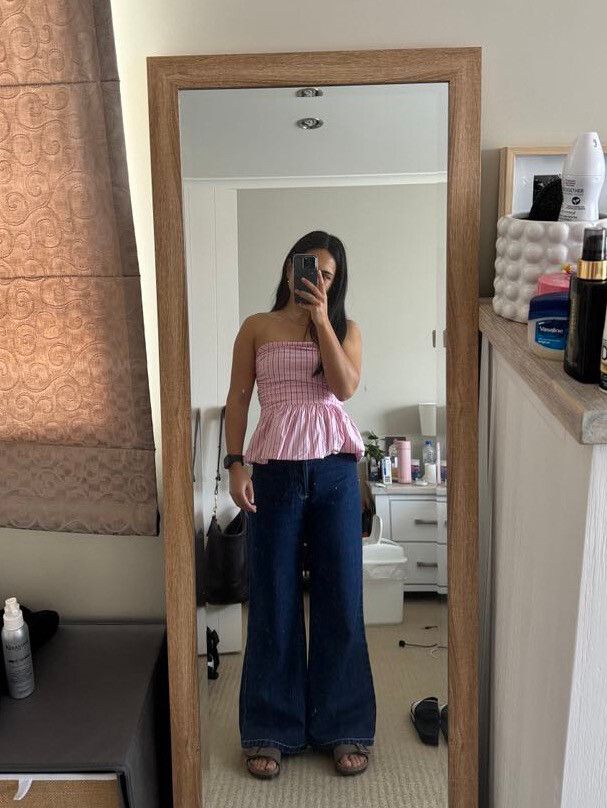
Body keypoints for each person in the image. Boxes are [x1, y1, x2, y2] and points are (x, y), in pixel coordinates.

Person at [224, 231, 376, 779]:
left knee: (341, 596)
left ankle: (343, 725)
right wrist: (234, 463)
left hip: (334, 471)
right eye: (309, 267)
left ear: (335, 283)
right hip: (274, 472)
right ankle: (271, 727)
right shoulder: (256, 327)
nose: (316, 279)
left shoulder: (345, 329)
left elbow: (345, 387)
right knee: (273, 595)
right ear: (290, 267)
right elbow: (239, 397)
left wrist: (321, 321)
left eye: (327, 275)